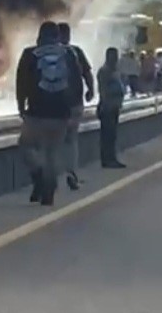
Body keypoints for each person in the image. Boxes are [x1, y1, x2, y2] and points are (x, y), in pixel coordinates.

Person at [16, 21, 82, 206]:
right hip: (61, 113)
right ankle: (49, 187)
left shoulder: (30, 54)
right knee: (52, 152)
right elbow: (76, 82)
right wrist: (74, 110)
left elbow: (21, 81)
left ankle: (39, 175)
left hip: (36, 112)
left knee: (26, 146)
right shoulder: (69, 54)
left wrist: (21, 105)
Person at [57, 22, 93, 192]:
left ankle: (49, 176)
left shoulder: (46, 53)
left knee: (51, 141)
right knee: (71, 140)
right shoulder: (76, 52)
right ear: (68, 35)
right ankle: (71, 174)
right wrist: (91, 91)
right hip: (74, 104)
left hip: (52, 105)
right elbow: (87, 73)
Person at [97, 47, 127, 168]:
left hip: (114, 106)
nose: (115, 59)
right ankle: (107, 159)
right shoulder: (105, 71)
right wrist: (104, 104)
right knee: (107, 135)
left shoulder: (115, 71)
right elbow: (102, 89)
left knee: (112, 135)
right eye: (113, 56)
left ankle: (111, 157)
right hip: (107, 107)